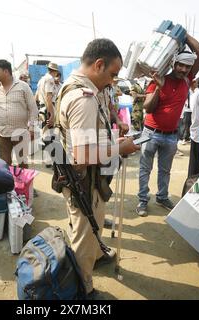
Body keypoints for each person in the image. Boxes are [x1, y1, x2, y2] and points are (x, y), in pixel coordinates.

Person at [55, 38, 140, 298]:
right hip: (84, 178)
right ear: (99, 64)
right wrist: (120, 149)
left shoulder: (79, 87)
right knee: (84, 235)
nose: (113, 81)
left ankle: (95, 255)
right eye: (113, 74)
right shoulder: (83, 98)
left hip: (84, 176)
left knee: (87, 229)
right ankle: (83, 289)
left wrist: (113, 140)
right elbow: (82, 155)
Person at [136, 34, 199, 217]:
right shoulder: (158, 80)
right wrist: (159, 87)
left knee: (165, 171)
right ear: (173, 64)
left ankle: (162, 196)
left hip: (171, 135)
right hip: (151, 133)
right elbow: (148, 108)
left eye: (187, 66)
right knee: (145, 169)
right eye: (180, 65)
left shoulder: (187, 80)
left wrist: (183, 34)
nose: (183, 69)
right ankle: (143, 199)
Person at [0, 59, 38, 168]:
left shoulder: (23, 86)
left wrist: (32, 128)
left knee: (22, 164)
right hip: (1, 134)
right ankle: (9, 184)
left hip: (20, 133)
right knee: (4, 164)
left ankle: (24, 184)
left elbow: (33, 109)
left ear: (6, 71)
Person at [36, 62, 60, 129]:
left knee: (44, 135)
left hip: (42, 109)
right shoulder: (50, 79)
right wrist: (51, 114)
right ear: (56, 71)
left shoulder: (41, 79)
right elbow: (48, 97)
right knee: (50, 136)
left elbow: (36, 97)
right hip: (48, 110)